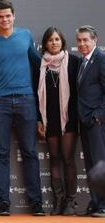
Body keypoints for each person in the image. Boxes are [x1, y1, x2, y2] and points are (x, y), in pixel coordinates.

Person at [0, 0, 45, 216]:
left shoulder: (25, 35)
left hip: (26, 99)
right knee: (1, 153)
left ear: (14, 16)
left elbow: (40, 65)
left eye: (8, 15)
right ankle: (3, 204)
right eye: (1, 16)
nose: (5, 19)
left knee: (30, 152)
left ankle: (36, 203)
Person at [36, 27, 79, 216]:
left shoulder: (74, 62)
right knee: (54, 159)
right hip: (49, 119)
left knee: (68, 159)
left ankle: (70, 201)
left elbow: (79, 93)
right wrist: (39, 120)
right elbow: (35, 95)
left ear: (62, 42)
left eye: (57, 39)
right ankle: (58, 200)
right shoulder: (39, 65)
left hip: (69, 118)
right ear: (45, 43)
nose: (54, 43)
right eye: (50, 40)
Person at [76, 25, 105, 218]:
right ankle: (95, 203)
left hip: (97, 122)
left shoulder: (101, 59)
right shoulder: (82, 62)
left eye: (86, 40)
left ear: (94, 40)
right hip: (84, 121)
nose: (82, 43)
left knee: (100, 164)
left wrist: (98, 116)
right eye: (79, 40)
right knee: (91, 164)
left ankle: (103, 205)